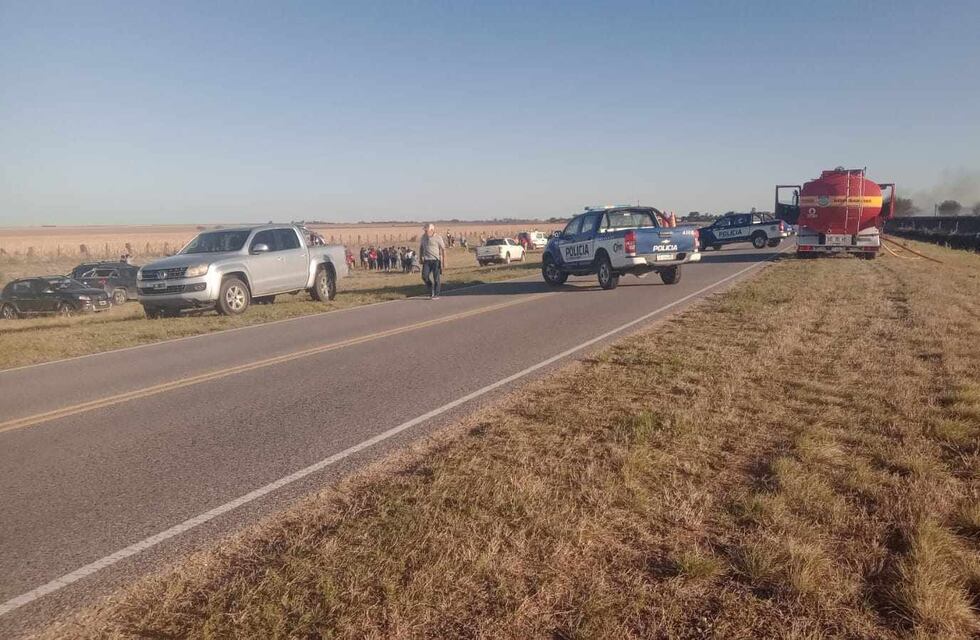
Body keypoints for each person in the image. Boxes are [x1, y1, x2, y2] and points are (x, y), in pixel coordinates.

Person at [419, 223, 446, 299]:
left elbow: (443, 249)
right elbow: (421, 247)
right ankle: (431, 289)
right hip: (427, 260)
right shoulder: (423, 237)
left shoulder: (438, 237)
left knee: (436, 278)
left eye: (426, 230)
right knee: (424, 276)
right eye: (424, 230)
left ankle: (436, 294)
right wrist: (420, 257)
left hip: (436, 260)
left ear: (432, 230)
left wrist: (444, 261)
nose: (425, 232)